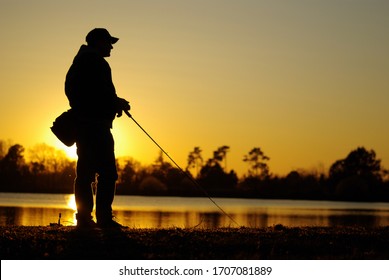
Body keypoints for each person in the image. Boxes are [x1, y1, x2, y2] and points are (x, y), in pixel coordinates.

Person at [65, 28, 131, 228]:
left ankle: (84, 219)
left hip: (85, 124)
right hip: (96, 126)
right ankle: (103, 219)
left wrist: (113, 104)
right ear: (98, 42)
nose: (111, 46)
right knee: (108, 173)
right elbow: (100, 94)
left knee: (85, 173)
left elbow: (79, 93)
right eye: (108, 42)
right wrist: (116, 103)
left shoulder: (80, 61)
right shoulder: (97, 63)